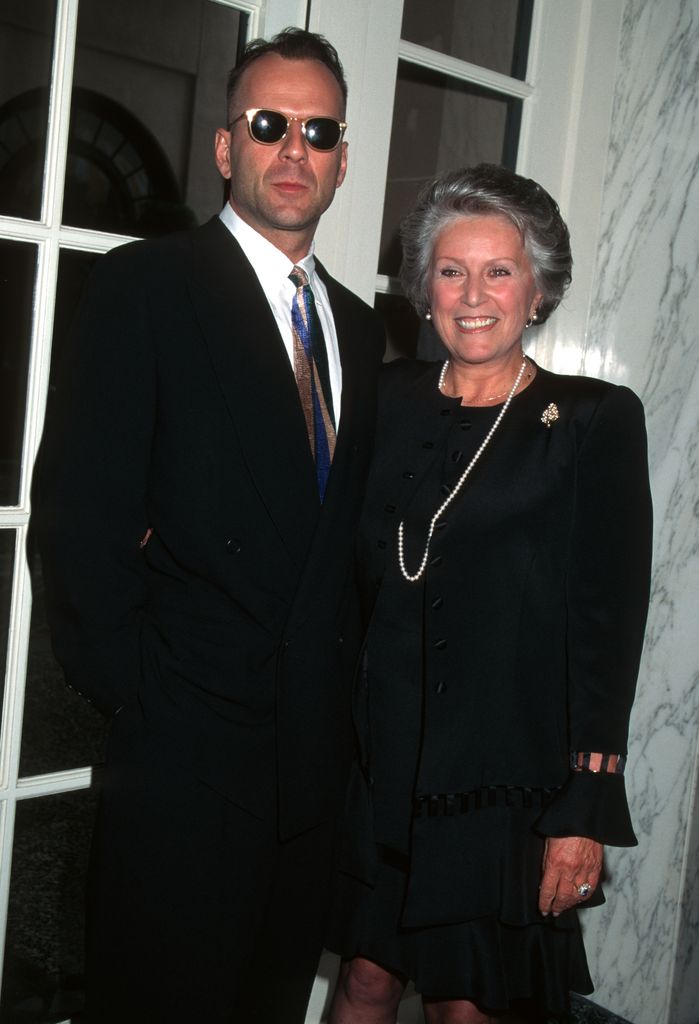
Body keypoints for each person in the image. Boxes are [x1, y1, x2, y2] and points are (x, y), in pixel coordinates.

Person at [32, 27, 384, 1024]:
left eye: (318, 131)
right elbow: (79, 517)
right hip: (180, 763)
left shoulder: (360, 327)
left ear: (343, 159)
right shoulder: (149, 288)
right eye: (269, 124)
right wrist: (140, 691)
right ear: (227, 145)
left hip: (304, 782)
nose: (293, 151)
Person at [326, 164, 652, 1024]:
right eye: (450, 269)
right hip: (378, 764)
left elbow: (607, 627)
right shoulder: (385, 398)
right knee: (362, 979)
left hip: (498, 782)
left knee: (465, 1006)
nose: (473, 294)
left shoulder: (591, 421)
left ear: (537, 291)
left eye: (498, 271)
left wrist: (583, 807)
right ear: (422, 286)